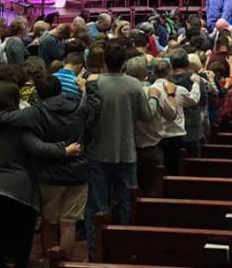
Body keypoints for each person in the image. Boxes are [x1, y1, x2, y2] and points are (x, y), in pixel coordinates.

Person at [0, 75, 100, 262]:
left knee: (49, 221)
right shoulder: (79, 109)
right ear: (60, 90)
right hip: (77, 171)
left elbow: (6, 118)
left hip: (49, 173)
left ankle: (49, 261)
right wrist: (90, 86)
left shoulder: (35, 112)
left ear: (39, 94)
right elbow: (95, 105)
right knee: (69, 223)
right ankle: (65, 263)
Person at [85, 40, 158, 257]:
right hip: (126, 151)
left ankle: (94, 250)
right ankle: (123, 249)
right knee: (125, 201)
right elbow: (147, 115)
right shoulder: (135, 85)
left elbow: (84, 115)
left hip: (98, 151)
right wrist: (153, 98)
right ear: (123, 62)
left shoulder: (94, 85)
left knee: (97, 205)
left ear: (104, 62)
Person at [125, 55, 177, 196]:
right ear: (146, 75)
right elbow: (171, 115)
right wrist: (171, 95)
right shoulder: (155, 91)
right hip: (153, 148)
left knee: (131, 190)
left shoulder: (124, 93)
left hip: (129, 149)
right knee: (153, 192)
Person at [150, 57, 199, 174]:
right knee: (174, 171)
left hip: (156, 138)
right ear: (170, 72)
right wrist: (196, 83)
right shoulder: (179, 90)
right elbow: (194, 99)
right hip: (175, 137)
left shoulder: (149, 90)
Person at [170, 49, 206, 157]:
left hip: (171, 129)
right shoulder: (195, 79)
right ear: (187, 63)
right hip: (192, 130)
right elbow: (203, 101)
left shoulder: (166, 80)